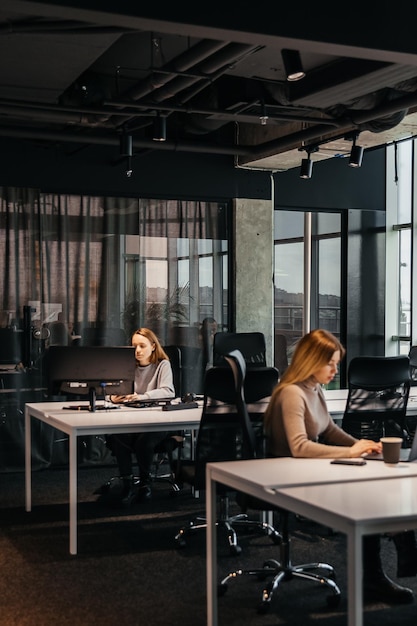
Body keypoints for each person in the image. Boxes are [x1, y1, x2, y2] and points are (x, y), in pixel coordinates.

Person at [264, 328, 416, 604]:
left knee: (374, 485)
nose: (335, 369)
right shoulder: (292, 394)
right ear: (311, 361)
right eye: (330, 363)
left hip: (309, 471)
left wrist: (364, 446)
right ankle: (378, 573)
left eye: (336, 363)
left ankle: (375, 577)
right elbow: (299, 446)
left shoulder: (313, 389)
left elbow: (330, 429)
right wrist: (351, 451)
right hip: (289, 481)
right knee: (366, 495)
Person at [100, 327, 175, 505]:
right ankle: (127, 484)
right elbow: (106, 389)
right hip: (129, 420)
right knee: (120, 436)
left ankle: (144, 484)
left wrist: (142, 396)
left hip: (156, 422)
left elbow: (168, 391)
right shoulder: (126, 365)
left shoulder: (162, 365)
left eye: (142, 346)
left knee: (144, 441)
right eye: (134, 346)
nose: (138, 351)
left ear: (153, 347)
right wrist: (112, 397)